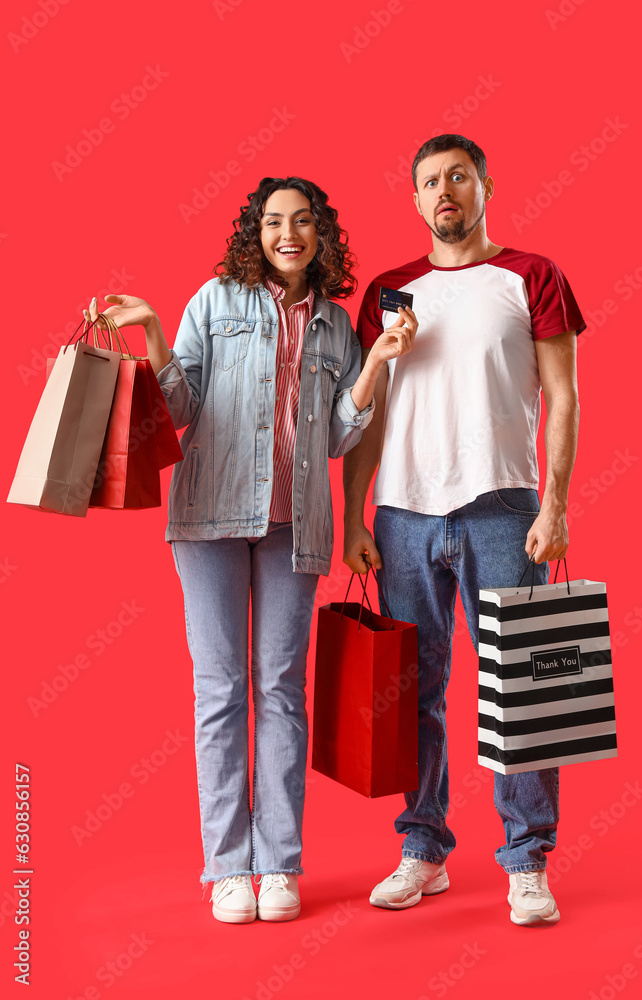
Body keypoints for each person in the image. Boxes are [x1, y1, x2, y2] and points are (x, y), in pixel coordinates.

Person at [84, 176, 417, 924]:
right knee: (221, 691)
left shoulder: (336, 325)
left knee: (279, 690)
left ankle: (278, 864)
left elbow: (335, 436)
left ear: (319, 234)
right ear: (255, 232)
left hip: (295, 525)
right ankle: (228, 868)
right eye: (273, 222)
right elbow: (178, 411)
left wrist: (377, 361)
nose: (287, 234)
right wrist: (153, 333)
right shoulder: (214, 302)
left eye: (301, 222)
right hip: (208, 517)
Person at [343, 134, 584, 926]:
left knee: (524, 685)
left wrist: (553, 502)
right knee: (411, 687)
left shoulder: (531, 276)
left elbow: (562, 395)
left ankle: (524, 861)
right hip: (404, 511)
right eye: (427, 182)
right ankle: (422, 848)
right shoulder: (387, 288)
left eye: (457, 177)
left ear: (485, 186)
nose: (443, 190)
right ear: (413, 200)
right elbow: (365, 412)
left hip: (504, 508)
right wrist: (354, 513)